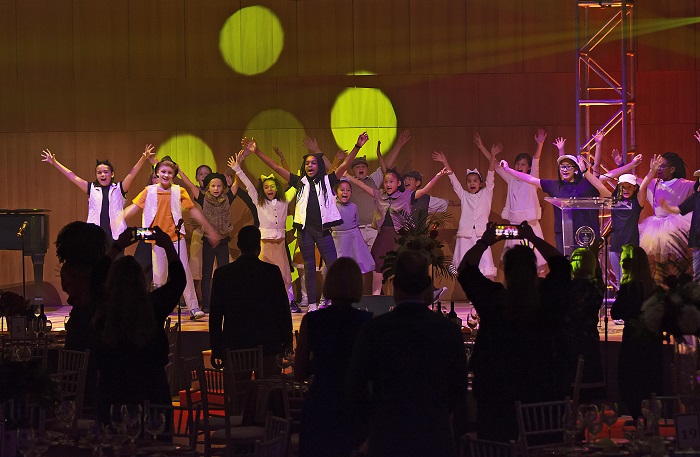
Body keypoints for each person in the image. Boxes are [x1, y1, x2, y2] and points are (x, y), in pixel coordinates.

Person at [346, 249, 469, 457]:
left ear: (395, 286)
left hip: (387, 434)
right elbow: (459, 391)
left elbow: (355, 386)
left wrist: (374, 420)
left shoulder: (375, 329)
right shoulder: (448, 330)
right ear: (428, 286)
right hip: (434, 435)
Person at [457, 221, 568, 442]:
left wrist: (485, 241)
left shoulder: (494, 299)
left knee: (496, 443)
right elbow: (562, 266)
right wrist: (533, 238)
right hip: (540, 392)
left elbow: (465, 269)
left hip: (497, 393)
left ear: (505, 272)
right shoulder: (546, 297)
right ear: (534, 269)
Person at [244, 133, 369, 311]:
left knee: (332, 265)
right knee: (309, 266)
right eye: (307, 163)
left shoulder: (328, 180)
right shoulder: (299, 182)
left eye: (313, 162)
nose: (310, 165)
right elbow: (276, 167)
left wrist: (357, 146)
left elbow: (344, 165)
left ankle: (331, 300)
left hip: (323, 230)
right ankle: (311, 304)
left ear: (318, 166)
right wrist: (257, 151)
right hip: (304, 230)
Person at [91, 225, 185, 426]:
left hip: (111, 393)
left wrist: (118, 246)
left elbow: (96, 277)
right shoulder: (153, 306)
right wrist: (168, 245)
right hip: (152, 392)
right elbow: (178, 281)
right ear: (141, 280)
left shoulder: (105, 308)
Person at [498, 138, 641, 255]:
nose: (564, 169)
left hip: (587, 234)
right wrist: (507, 169)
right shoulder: (554, 186)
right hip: (564, 235)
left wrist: (631, 165)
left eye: (568, 166)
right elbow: (529, 179)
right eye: (562, 167)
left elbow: (611, 174)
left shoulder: (587, 183)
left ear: (577, 170)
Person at [120, 156, 221, 320]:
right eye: (163, 172)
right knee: (159, 274)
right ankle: (161, 309)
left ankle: (193, 307)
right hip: (157, 238)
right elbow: (135, 207)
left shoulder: (178, 191)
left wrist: (209, 229)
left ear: (173, 175)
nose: (166, 175)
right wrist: (120, 216)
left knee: (184, 272)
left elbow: (193, 210)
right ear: (157, 173)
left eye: (169, 172)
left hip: (176, 237)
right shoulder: (149, 191)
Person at [294, 257, 372, 457]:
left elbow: (299, 371)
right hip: (355, 404)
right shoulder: (367, 322)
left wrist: (321, 364)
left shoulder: (313, 320)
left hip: (322, 401)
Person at [347, 166, 451, 293]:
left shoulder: (406, 196)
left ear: (398, 183)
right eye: (386, 182)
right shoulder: (379, 195)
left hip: (400, 237)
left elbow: (424, 191)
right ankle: (376, 296)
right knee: (377, 266)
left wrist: (438, 175)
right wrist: (348, 176)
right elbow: (363, 186)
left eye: (391, 181)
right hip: (384, 235)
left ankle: (413, 295)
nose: (388, 184)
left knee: (405, 267)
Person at [209, 226, 292, 376]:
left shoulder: (222, 274)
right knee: (269, 393)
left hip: (236, 346)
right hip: (268, 345)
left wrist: (216, 348)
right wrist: (287, 342)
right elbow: (283, 310)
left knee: (238, 394)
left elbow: (215, 316)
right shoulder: (271, 272)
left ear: (238, 246)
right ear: (258, 247)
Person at [229, 150, 301, 312]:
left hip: (280, 243)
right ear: (263, 189)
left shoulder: (284, 200)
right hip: (264, 244)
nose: (269, 189)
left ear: (277, 188)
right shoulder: (258, 201)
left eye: (272, 187)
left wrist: (297, 173)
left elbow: (296, 185)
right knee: (262, 274)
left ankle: (289, 301)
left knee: (284, 274)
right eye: (266, 187)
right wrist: (238, 169)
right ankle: (261, 301)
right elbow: (247, 184)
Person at [41, 145, 155, 244]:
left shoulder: (119, 188)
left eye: (106, 172)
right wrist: (55, 163)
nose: (102, 175)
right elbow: (73, 177)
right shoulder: (91, 188)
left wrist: (143, 158)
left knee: (114, 265)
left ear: (112, 174)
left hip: (116, 235)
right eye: (99, 173)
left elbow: (132, 174)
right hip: (95, 236)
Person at [55, 221, 108, 413]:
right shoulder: (100, 271)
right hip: (96, 325)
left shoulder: (69, 270)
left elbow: (70, 294)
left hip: (79, 324)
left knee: (76, 369)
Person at [610, 244, 663, 420]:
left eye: (625, 260)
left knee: (631, 380)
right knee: (649, 380)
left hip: (633, 342)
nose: (622, 263)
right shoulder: (653, 288)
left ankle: (636, 418)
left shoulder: (629, 288)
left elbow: (616, 312)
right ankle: (650, 420)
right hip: (651, 343)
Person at [485, 129, 547, 272]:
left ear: (529, 167)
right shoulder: (511, 178)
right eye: (517, 164)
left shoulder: (532, 179)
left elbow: (536, 160)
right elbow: (495, 165)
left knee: (538, 263)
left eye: (523, 164)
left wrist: (540, 144)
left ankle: (540, 291)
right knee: (512, 264)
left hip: (531, 226)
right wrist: (484, 148)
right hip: (514, 226)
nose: (519, 167)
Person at [177, 167, 237, 312]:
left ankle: (224, 304)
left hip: (223, 241)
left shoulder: (227, 198)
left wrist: (237, 169)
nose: (216, 188)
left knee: (224, 274)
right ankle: (206, 305)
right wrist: (179, 170)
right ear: (208, 187)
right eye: (213, 185)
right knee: (206, 274)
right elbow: (190, 185)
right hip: (208, 241)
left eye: (219, 186)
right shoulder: (203, 198)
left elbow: (236, 186)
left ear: (223, 187)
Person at [432, 149, 496, 278]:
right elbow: (453, 180)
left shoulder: (486, 193)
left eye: (475, 180)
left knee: (484, 267)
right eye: (469, 181)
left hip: (481, 236)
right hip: (465, 236)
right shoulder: (464, 195)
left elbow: (490, 176)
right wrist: (444, 161)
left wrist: (493, 156)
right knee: (467, 269)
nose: (472, 183)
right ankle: (471, 296)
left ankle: (483, 296)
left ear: (480, 183)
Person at [639, 151, 695, 278]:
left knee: (678, 262)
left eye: (662, 166)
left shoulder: (684, 184)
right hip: (656, 227)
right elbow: (639, 184)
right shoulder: (654, 183)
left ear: (672, 169)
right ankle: (661, 288)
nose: (659, 168)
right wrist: (622, 164)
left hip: (677, 225)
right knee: (659, 263)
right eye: (658, 165)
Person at [660, 167, 700, 281]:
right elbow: (679, 209)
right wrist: (666, 207)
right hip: (697, 241)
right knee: (697, 275)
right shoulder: (696, 197)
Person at [330, 180, 375, 276]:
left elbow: (356, 223)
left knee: (355, 266)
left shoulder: (353, 206)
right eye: (342, 190)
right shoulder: (332, 206)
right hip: (338, 239)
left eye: (348, 190)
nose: (345, 192)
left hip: (353, 238)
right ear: (336, 192)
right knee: (340, 267)